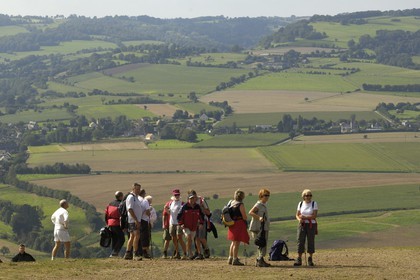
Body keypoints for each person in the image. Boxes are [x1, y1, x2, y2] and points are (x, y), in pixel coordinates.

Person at [177, 190, 204, 260]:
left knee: (190, 240)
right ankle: (188, 253)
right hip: (185, 226)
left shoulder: (197, 207)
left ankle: (187, 254)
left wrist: (201, 223)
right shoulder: (184, 207)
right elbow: (179, 216)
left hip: (194, 227)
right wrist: (181, 224)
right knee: (189, 237)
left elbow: (201, 216)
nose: (192, 200)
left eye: (193, 198)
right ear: (188, 199)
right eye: (191, 198)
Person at [294, 189, 318, 267]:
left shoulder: (314, 203)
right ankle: (299, 259)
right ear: (303, 196)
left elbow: (314, 215)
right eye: (307, 195)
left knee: (310, 241)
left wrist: (304, 217)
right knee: (300, 240)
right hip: (302, 224)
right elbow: (297, 215)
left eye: (310, 195)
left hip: (311, 225)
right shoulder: (300, 204)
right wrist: (299, 219)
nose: (308, 197)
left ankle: (310, 258)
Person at [249, 188, 271, 267]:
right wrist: (259, 218)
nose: (267, 197)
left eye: (268, 195)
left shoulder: (264, 205)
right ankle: (260, 260)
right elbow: (250, 212)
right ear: (261, 196)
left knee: (262, 244)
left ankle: (260, 259)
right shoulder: (258, 204)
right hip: (257, 228)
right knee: (261, 244)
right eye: (265, 195)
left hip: (263, 227)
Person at [227, 189, 249, 266]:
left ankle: (230, 258)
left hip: (231, 223)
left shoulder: (231, 203)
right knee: (237, 242)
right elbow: (244, 217)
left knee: (233, 242)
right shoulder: (240, 205)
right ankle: (235, 259)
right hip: (239, 224)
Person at [123, 183, 143, 261]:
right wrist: (136, 219)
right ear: (133, 189)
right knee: (136, 235)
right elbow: (130, 209)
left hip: (135, 220)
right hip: (133, 220)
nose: (138, 191)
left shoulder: (136, 197)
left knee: (132, 236)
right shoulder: (131, 197)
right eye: (137, 189)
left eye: (139, 189)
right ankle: (135, 253)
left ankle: (128, 253)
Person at [166, 189, 187, 260]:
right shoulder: (170, 203)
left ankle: (185, 252)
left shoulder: (182, 203)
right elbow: (169, 211)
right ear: (173, 195)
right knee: (173, 238)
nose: (177, 196)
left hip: (179, 223)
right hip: (172, 222)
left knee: (179, 237)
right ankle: (177, 252)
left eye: (178, 195)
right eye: (175, 195)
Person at [105, 191, 125, 257]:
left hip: (110, 223)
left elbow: (106, 214)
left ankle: (113, 253)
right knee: (122, 238)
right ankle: (115, 252)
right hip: (117, 223)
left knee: (114, 238)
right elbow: (122, 215)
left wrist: (107, 223)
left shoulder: (110, 203)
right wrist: (124, 226)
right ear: (121, 196)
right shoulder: (121, 204)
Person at [194, 191, 211, 258]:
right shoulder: (190, 202)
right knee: (196, 238)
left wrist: (202, 208)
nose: (193, 199)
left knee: (201, 237)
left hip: (202, 220)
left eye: (194, 197)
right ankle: (199, 253)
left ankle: (206, 249)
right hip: (194, 221)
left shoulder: (201, 201)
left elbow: (208, 212)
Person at [137, 189, 151, 258]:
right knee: (145, 236)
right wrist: (149, 214)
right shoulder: (144, 201)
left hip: (136, 220)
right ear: (143, 194)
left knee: (138, 236)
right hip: (144, 220)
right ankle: (145, 251)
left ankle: (138, 251)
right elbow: (148, 211)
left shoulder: (136, 199)